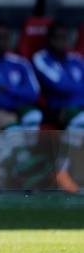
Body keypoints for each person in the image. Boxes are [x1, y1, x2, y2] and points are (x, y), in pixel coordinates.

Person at [32, 22, 84, 193]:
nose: (61, 42)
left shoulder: (76, 59)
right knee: (80, 122)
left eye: (65, 38)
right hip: (56, 110)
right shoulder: (41, 58)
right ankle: (61, 172)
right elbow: (59, 86)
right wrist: (75, 88)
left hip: (79, 107)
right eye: (57, 38)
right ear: (49, 40)